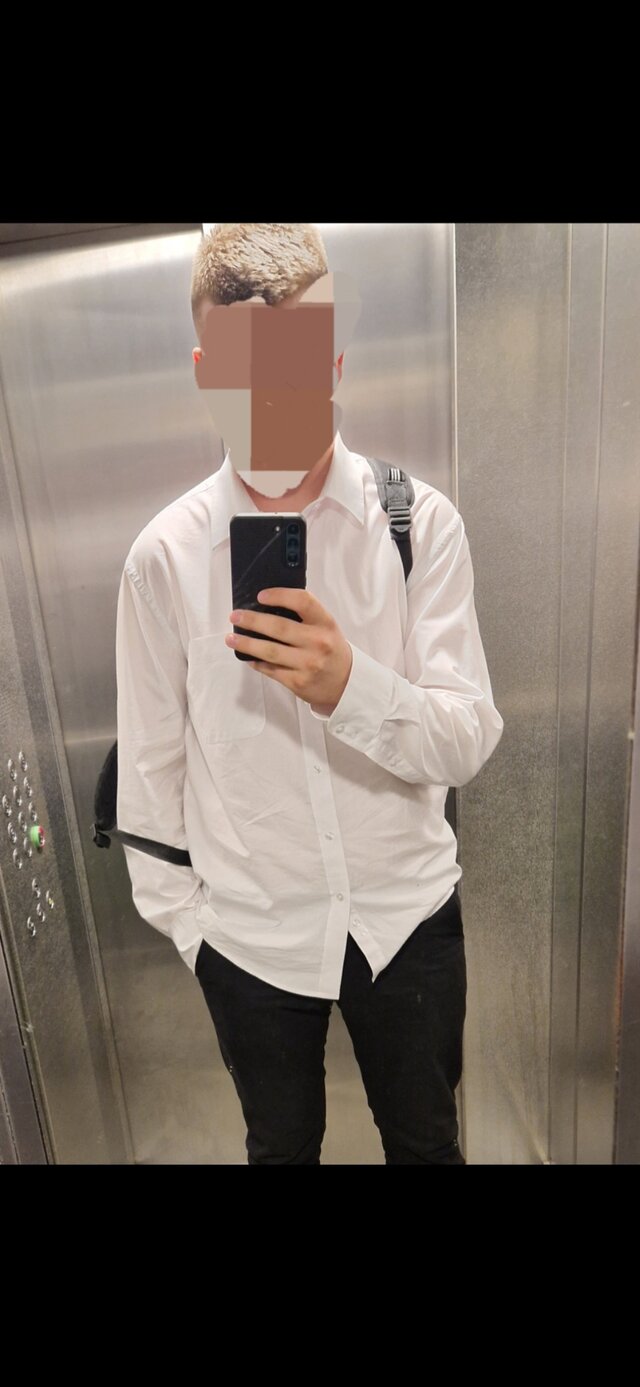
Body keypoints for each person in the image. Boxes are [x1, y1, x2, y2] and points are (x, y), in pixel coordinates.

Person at [116, 223, 504, 1164]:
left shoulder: (417, 527)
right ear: (206, 373)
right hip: (249, 943)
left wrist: (350, 686)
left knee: (427, 1143)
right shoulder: (164, 560)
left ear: (332, 359)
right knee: (280, 1148)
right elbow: (151, 773)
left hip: (407, 921)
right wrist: (194, 934)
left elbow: (467, 739)